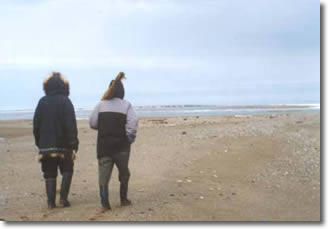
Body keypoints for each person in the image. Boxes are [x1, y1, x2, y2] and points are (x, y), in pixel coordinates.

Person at [89, 72, 138, 211]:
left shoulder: (100, 105)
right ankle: (123, 199)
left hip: (104, 146)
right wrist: (129, 138)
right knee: (124, 173)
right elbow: (132, 125)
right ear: (122, 91)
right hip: (121, 147)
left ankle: (105, 204)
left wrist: (104, 128)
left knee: (103, 176)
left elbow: (92, 123)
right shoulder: (127, 105)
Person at [33, 72, 79, 209]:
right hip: (64, 145)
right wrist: (74, 142)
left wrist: (39, 142)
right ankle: (63, 199)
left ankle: (50, 202)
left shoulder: (42, 101)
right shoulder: (65, 101)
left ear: (46, 87)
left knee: (49, 173)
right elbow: (70, 124)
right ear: (64, 87)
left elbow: (36, 124)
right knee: (67, 170)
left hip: (46, 145)